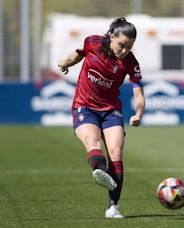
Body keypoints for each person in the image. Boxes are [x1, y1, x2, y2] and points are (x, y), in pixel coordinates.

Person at [57, 17, 145, 218]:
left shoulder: (130, 62)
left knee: (116, 151)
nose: (124, 50)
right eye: (121, 45)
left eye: (129, 47)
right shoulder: (93, 43)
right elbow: (77, 54)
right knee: (92, 141)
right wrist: (64, 63)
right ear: (111, 36)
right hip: (84, 107)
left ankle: (113, 207)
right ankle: (100, 170)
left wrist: (138, 114)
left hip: (110, 110)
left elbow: (139, 93)